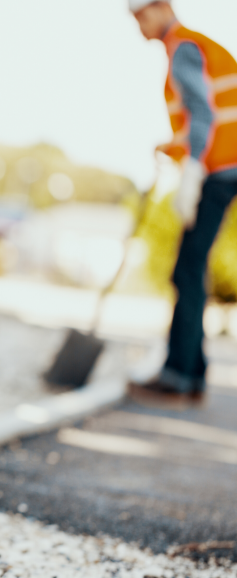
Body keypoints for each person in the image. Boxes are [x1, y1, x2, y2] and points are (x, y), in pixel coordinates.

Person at [127, 0, 237, 405]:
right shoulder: (193, 45)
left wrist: (192, 167)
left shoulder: (183, 48)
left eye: (139, 16)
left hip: (221, 168)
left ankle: (179, 376)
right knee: (191, 266)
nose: (137, 25)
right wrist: (173, 146)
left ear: (160, 8)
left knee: (188, 269)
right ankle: (191, 375)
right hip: (224, 163)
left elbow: (204, 116)